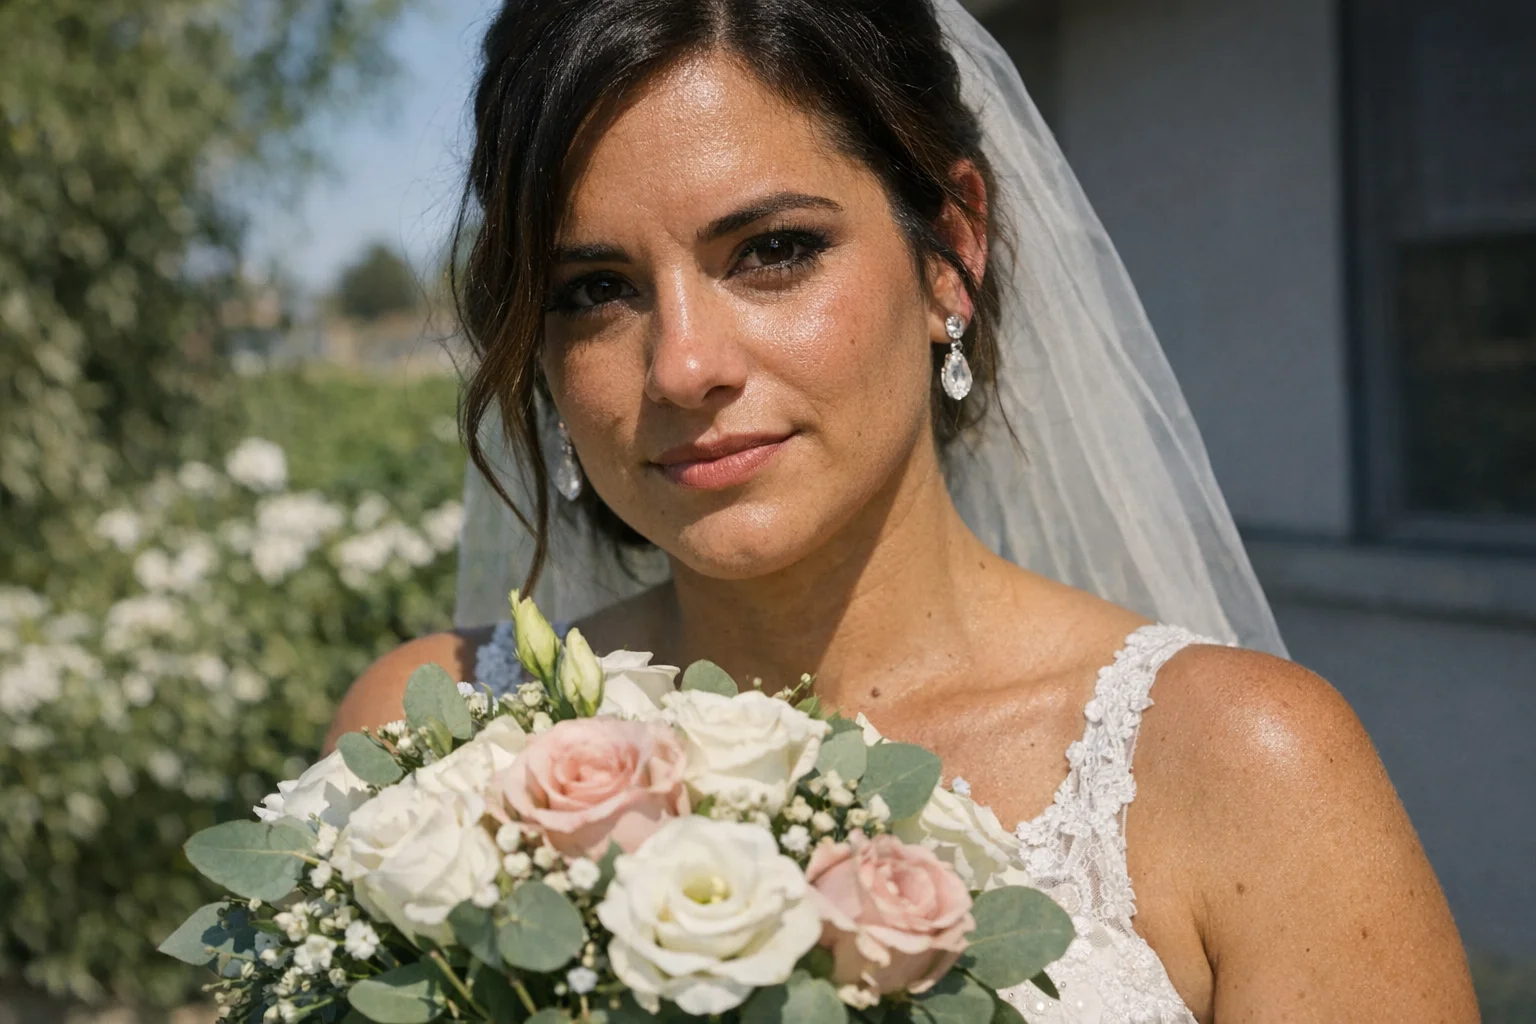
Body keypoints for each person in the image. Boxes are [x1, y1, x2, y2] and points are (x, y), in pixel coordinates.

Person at [328, 0, 1478, 1019]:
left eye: (773, 250)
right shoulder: (422, 751)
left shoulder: (1244, 770)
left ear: (951, 256)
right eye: (596, 291)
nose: (681, 366)